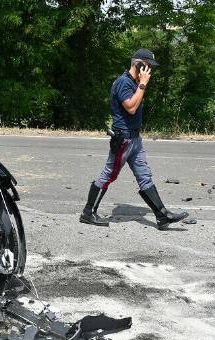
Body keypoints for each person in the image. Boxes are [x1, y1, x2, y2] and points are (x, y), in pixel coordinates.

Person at [80, 48, 188, 230]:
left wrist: (141, 85)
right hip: (123, 140)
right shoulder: (123, 83)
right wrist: (143, 85)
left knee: (145, 176)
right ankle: (88, 212)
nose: (149, 71)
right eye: (147, 67)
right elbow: (130, 107)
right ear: (138, 64)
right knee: (109, 175)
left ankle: (161, 215)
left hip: (135, 139)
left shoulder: (133, 83)